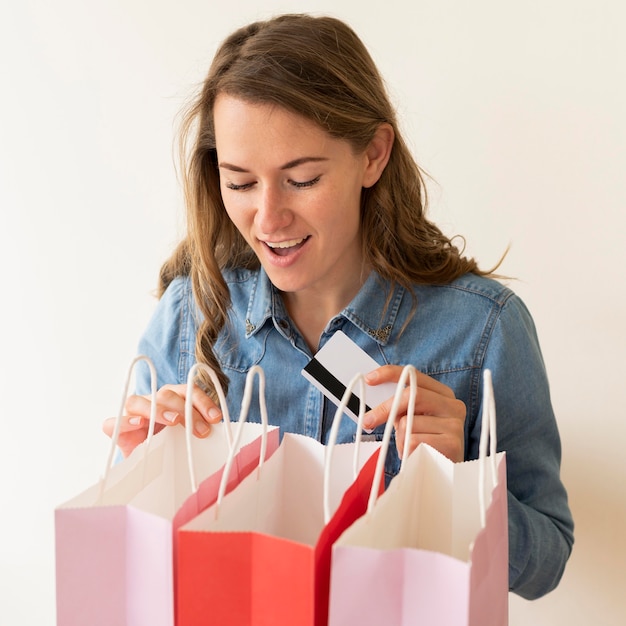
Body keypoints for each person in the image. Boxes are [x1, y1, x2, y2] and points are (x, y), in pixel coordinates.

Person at [102, 13, 573, 600]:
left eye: (300, 179)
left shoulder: (481, 331)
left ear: (373, 155)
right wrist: (146, 468)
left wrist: (460, 485)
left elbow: (546, 566)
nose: (268, 219)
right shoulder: (190, 316)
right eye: (241, 183)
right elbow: (146, 574)